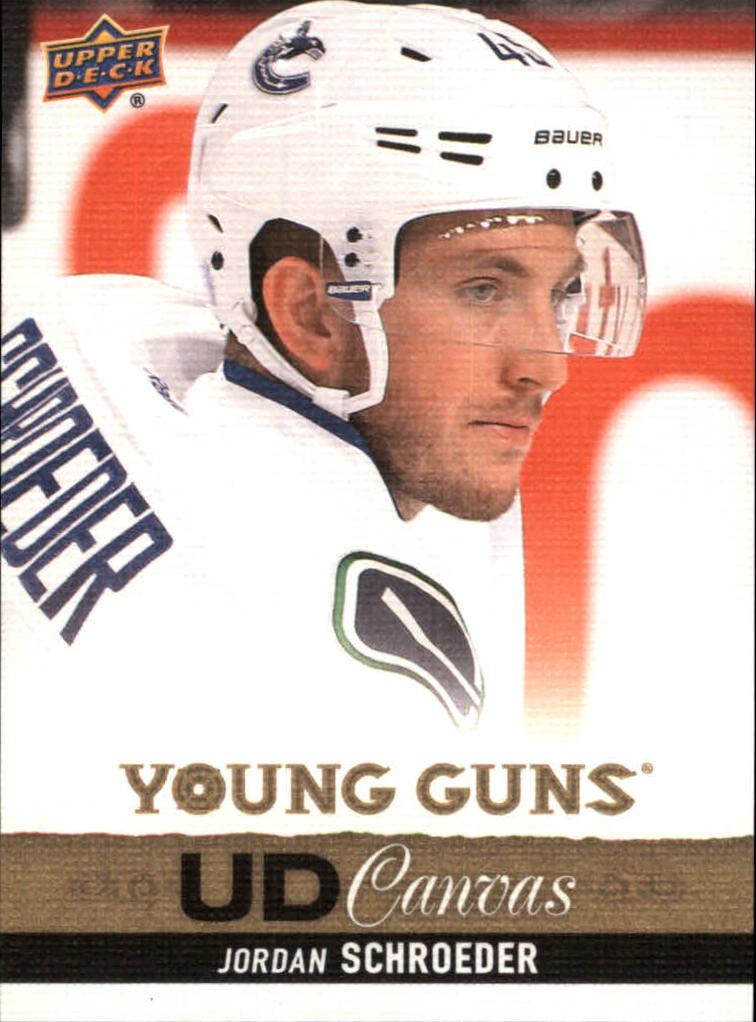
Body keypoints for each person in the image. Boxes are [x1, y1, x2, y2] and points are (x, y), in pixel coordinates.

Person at [1, 1, 645, 756]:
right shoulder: (340, 693)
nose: (545, 368)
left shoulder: (87, 325)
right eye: (483, 291)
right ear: (309, 313)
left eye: (562, 291)